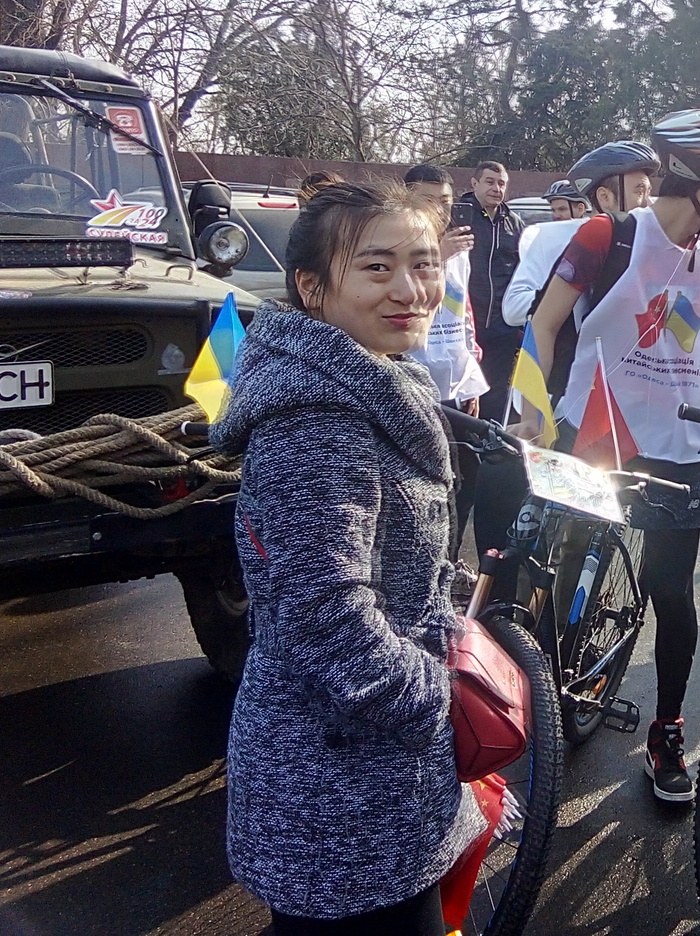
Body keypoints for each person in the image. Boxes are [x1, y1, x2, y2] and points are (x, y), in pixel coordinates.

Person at [211, 180, 486, 933]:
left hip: (379, 771)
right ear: (311, 286)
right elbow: (322, 613)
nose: (411, 289)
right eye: (376, 267)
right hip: (336, 784)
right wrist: (437, 699)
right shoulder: (317, 420)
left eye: (424, 263)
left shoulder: (376, 377)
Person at [521, 109, 700, 805]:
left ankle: (666, 730)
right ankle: (543, 691)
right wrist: (536, 412)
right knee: (562, 563)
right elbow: (543, 325)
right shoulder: (608, 234)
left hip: (681, 444)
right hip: (595, 431)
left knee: (671, 590)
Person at [501, 141, 660, 331]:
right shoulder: (553, 238)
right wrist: (575, 289)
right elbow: (513, 308)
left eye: (649, 192)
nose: (648, 203)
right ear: (604, 198)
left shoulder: (652, 242)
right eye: (639, 191)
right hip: (577, 357)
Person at [404, 166, 486, 416]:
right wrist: (437, 256)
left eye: (445, 201)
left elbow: (463, 311)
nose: (439, 209)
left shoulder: (459, 248)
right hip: (412, 375)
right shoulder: (395, 244)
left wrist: (472, 377)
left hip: (455, 376)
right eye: (429, 201)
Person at [454, 161, 526, 421]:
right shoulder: (457, 216)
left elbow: (523, 269)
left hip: (501, 326)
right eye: (490, 182)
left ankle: (493, 445)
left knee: (496, 392)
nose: (496, 188)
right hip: (464, 323)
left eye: (502, 183)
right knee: (462, 392)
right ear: (474, 183)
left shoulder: (515, 223)